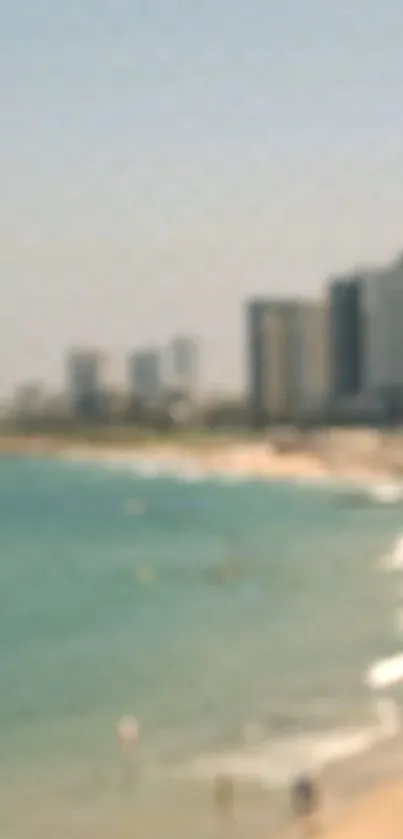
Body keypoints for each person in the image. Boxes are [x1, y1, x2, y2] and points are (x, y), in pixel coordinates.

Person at [290, 772, 321, 836]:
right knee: (308, 813)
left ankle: (309, 830)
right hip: (305, 796)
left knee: (306, 813)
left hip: (305, 796)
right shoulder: (304, 785)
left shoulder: (301, 785)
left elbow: (296, 799)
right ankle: (310, 830)